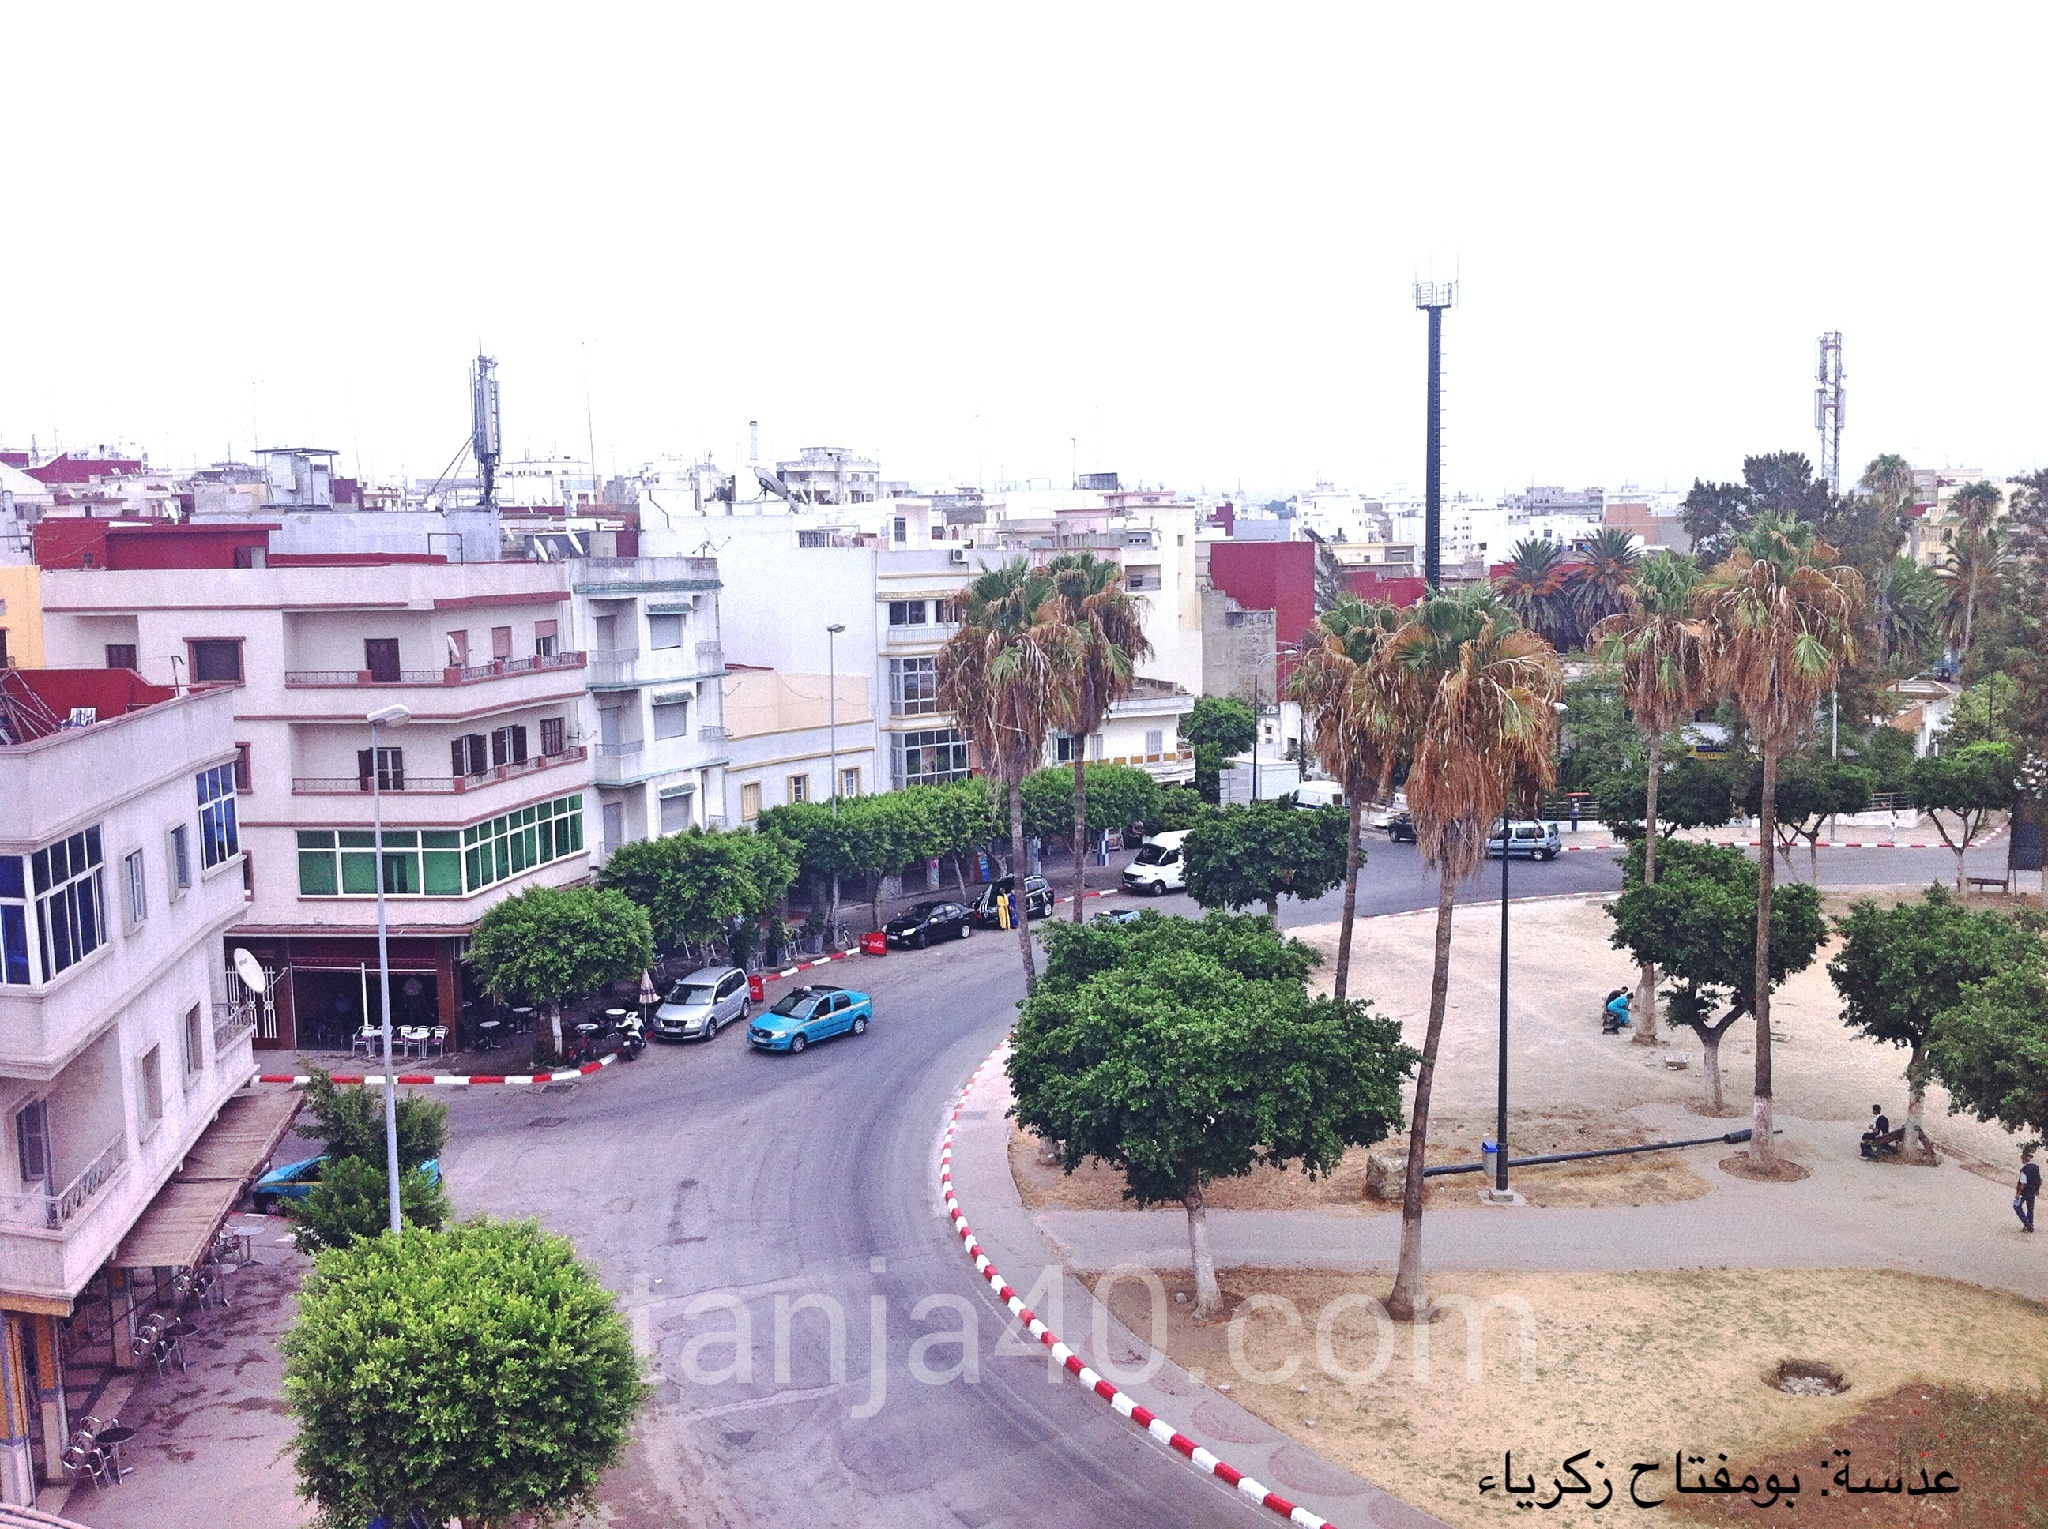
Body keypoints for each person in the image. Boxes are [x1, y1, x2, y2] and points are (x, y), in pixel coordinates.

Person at [2018, 1146, 2040, 1234]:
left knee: (2017, 1206)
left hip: (2025, 1192)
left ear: (2025, 1159)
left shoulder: (2024, 1169)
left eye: (2022, 1159)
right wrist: (2037, 1189)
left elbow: (2023, 1182)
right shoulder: (2036, 1167)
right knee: (2030, 1208)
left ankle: (2027, 1224)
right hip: (2032, 1191)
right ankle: (2030, 1224)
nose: (2021, 1161)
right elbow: (2040, 1179)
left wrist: (2018, 1192)